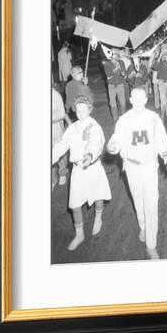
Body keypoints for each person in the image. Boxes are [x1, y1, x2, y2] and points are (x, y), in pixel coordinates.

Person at [107, 86, 167, 259]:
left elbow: (161, 139)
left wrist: (165, 154)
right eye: (134, 98)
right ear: (130, 100)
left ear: (145, 100)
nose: (137, 101)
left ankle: (152, 244)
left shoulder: (153, 118)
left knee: (151, 204)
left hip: (150, 166)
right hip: (131, 168)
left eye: (141, 98)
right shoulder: (124, 120)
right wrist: (112, 146)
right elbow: (117, 139)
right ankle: (143, 226)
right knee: (138, 200)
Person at [52, 95, 112, 250]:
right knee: (75, 205)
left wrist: (89, 155)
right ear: (74, 111)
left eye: (84, 110)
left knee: (98, 196)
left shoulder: (94, 126)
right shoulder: (72, 128)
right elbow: (62, 145)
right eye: (78, 110)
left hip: (92, 168)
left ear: (89, 110)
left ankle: (98, 217)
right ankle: (79, 234)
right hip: (78, 171)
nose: (80, 113)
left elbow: (96, 141)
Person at [151, 46, 167, 118]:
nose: (164, 54)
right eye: (163, 53)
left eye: (165, 52)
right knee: (163, 101)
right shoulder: (159, 60)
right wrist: (159, 58)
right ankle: (163, 116)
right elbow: (154, 67)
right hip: (161, 82)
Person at [103, 48, 127, 122]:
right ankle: (115, 119)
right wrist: (115, 69)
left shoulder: (121, 62)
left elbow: (124, 72)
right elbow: (108, 74)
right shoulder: (107, 64)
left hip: (120, 85)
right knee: (113, 104)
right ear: (111, 55)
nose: (116, 56)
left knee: (123, 103)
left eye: (117, 54)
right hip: (111, 86)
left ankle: (123, 119)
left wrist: (123, 74)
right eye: (114, 54)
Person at [52, 86, 68, 190]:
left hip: (55, 129)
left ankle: (62, 172)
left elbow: (62, 113)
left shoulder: (55, 95)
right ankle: (53, 179)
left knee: (59, 151)